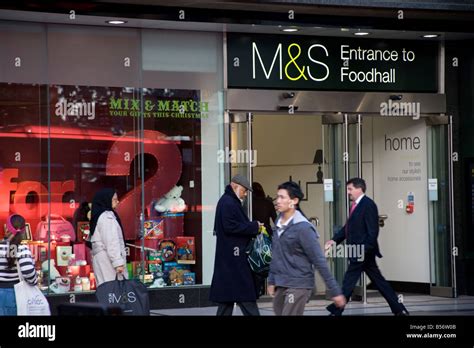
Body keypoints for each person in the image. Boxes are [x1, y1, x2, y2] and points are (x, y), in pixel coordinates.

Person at [325, 178, 409, 316]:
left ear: (359, 189)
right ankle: (399, 309)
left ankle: (336, 311)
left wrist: (363, 250)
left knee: (349, 281)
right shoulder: (356, 205)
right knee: (379, 282)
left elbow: (373, 232)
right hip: (360, 252)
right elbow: (348, 227)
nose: (348, 192)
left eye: (350, 189)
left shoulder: (368, 205)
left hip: (362, 252)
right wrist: (334, 241)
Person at [267, 181, 346, 315]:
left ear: (294, 200)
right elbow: (276, 255)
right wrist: (272, 280)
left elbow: (319, 260)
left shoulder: (303, 228)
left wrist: (335, 291)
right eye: (277, 196)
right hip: (282, 283)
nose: (277, 201)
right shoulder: (278, 222)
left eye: (282, 197)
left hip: (299, 284)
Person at [210, 174, 263, 316]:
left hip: (230, 259)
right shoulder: (228, 202)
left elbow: (230, 226)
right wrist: (254, 226)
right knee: (245, 296)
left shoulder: (227, 201)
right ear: (235, 186)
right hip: (234, 260)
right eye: (244, 190)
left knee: (228, 299)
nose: (245, 194)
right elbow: (231, 226)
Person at [89, 188, 128, 286]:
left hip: (102, 259)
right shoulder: (107, 217)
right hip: (108, 261)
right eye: (114, 199)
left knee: (105, 290)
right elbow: (111, 241)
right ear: (106, 200)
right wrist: (118, 263)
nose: (117, 202)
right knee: (113, 291)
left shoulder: (99, 215)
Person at [0, 214, 38, 315]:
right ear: (23, 230)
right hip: (13, 294)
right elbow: (29, 272)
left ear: (7, 228)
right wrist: (34, 281)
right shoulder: (22, 248)